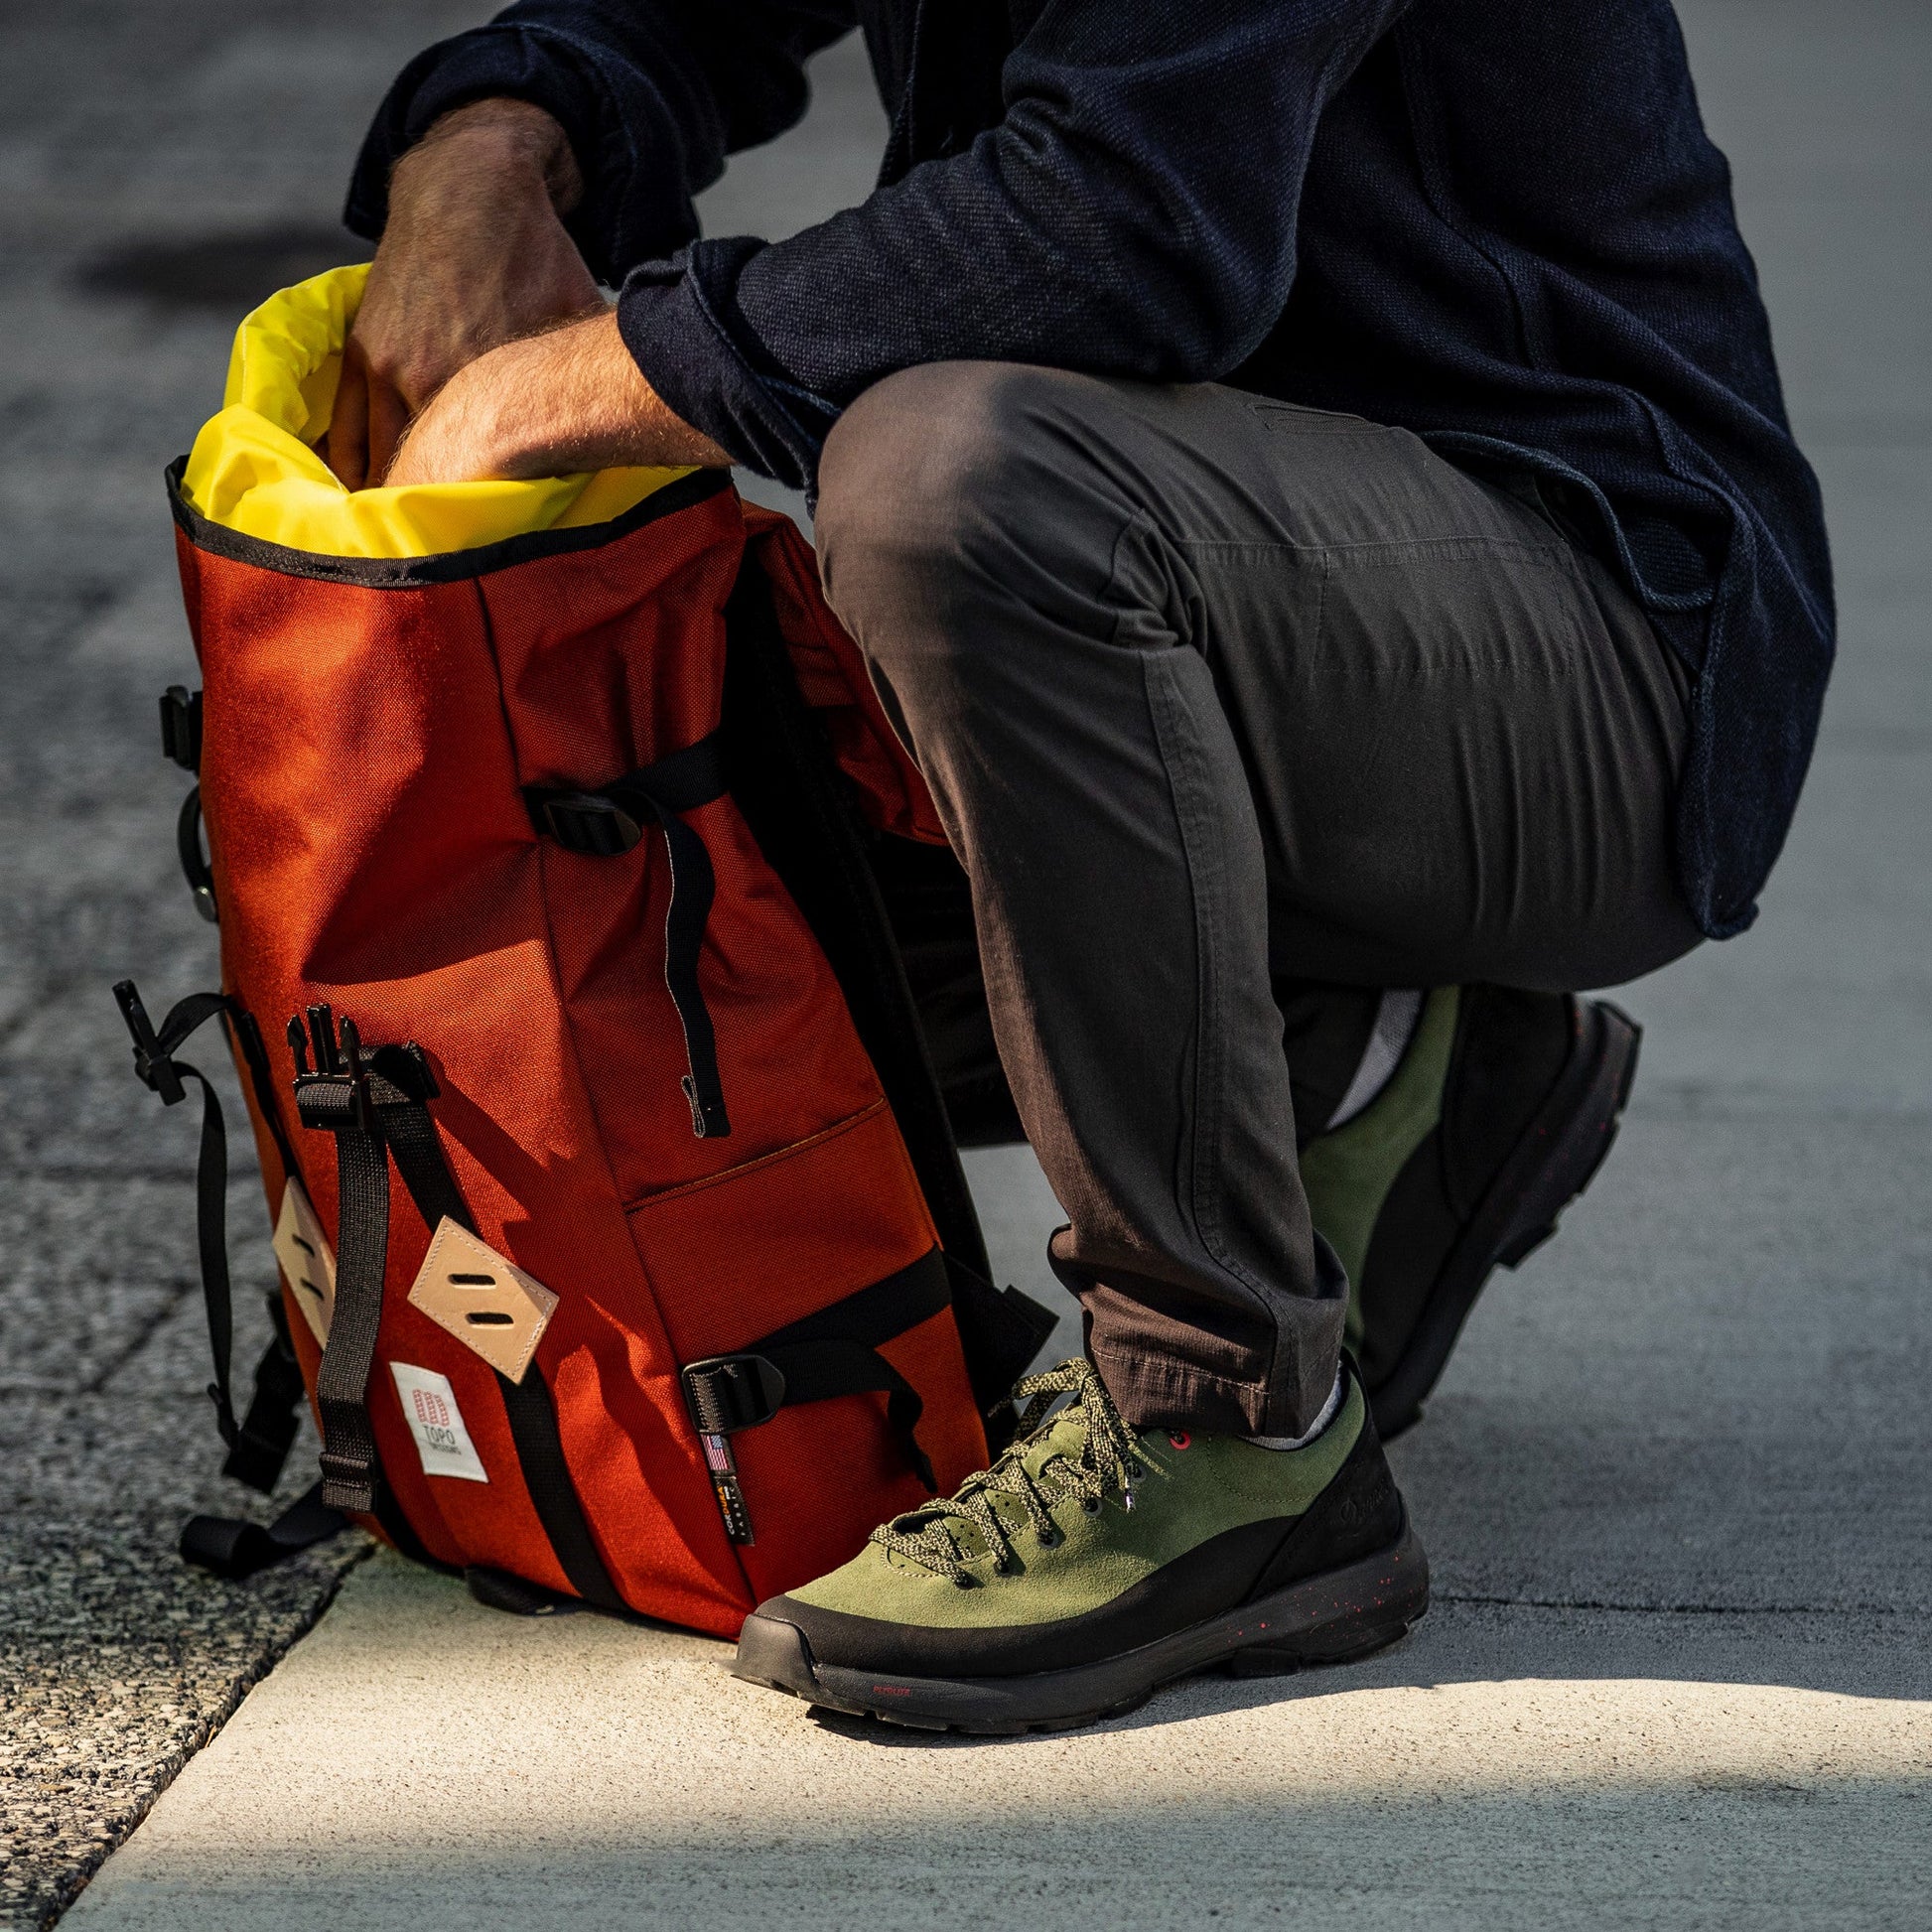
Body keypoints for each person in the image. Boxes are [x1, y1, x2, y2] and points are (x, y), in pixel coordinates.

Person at [337, 0, 1833, 1729]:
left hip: (1594, 635)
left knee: (949, 483)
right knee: (688, 870)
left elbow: (1120, 225)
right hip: (1241, 596)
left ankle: (1221, 1416)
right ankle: (1373, 1051)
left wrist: (576, 380)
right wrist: (494, 138)